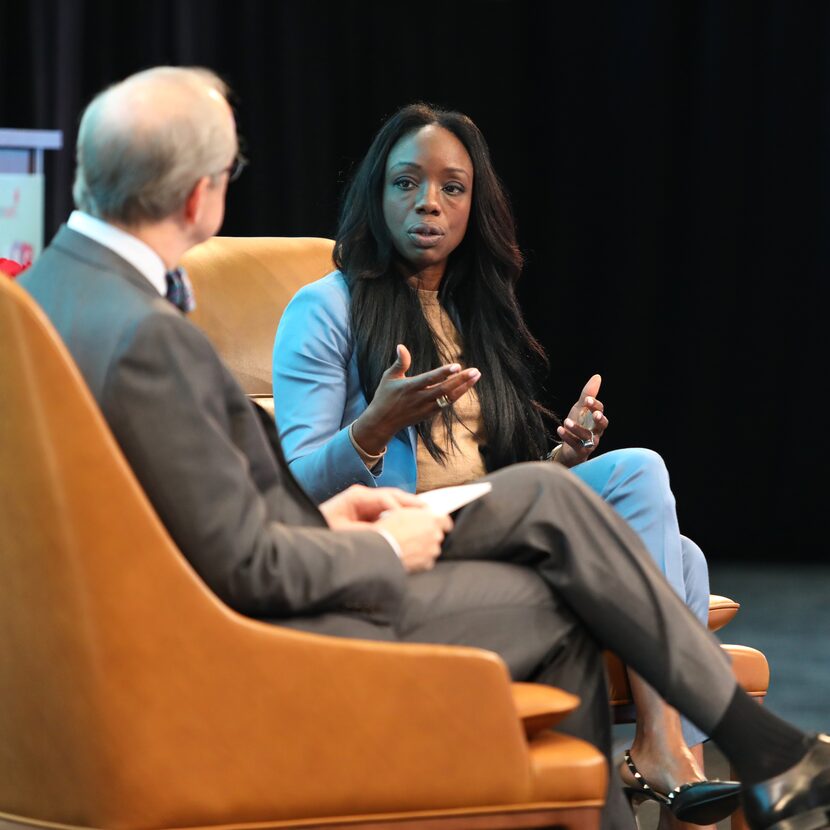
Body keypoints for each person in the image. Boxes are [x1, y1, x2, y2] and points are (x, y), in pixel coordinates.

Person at [19, 66, 830, 830]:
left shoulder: (42, 302)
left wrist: (350, 522)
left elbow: (201, 523)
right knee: (575, 588)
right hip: (275, 631)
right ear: (202, 194)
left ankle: (735, 753)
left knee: (573, 513)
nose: (429, 202)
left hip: (214, 601)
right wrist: (378, 541)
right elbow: (246, 565)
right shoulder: (153, 337)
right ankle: (752, 748)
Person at [272, 103, 722, 829]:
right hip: (412, 539)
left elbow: (504, 478)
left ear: (474, 205)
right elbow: (294, 487)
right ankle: (665, 748)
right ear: (375, 195)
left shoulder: (480, 308)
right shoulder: (324, 309)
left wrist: (564, 455)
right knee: (641, 471)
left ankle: (675, 778)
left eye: (453, 187)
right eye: (407, 183)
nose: (429, 203)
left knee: (686, 559)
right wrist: (374, 426)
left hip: (492, 520)